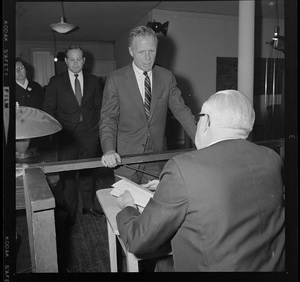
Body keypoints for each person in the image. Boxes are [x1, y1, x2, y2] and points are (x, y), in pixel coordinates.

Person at [116, 89, 285, 271]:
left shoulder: (183, 168)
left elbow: (138, 240)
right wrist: (171, 188)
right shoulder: (271, 158)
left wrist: (128, 207)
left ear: (207, 122)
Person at [100, 25, 196, 184]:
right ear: (131, 51)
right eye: (141, 52)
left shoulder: (166, 77)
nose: (147, 58)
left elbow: (181, 110)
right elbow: (108, 119)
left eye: (151, 51)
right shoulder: (116, 79)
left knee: (154, 205)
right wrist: (109, 150)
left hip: (156, 159)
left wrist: (201, 139)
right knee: (127, 206)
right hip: (125, 160)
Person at [43, 45, 104, 226]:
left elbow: (100, 108)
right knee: (68, 176)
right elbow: (48, 110)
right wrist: (57, 133)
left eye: (79, 59)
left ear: (84, 61)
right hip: (66, 137)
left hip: (89, 135)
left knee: (87, 173)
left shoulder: (94, 81)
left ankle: (88, 206)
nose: (75, 63)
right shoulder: (55, 82)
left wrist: (97, 129)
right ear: (66, 61)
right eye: (72, 59)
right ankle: (70, 210)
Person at [15, 58, 50, 155]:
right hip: (20, 136)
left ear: (26, 69)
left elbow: (44, 109)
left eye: (21, 68)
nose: (19, 71)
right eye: (15, 69)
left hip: (38, 133)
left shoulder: (36, 87)